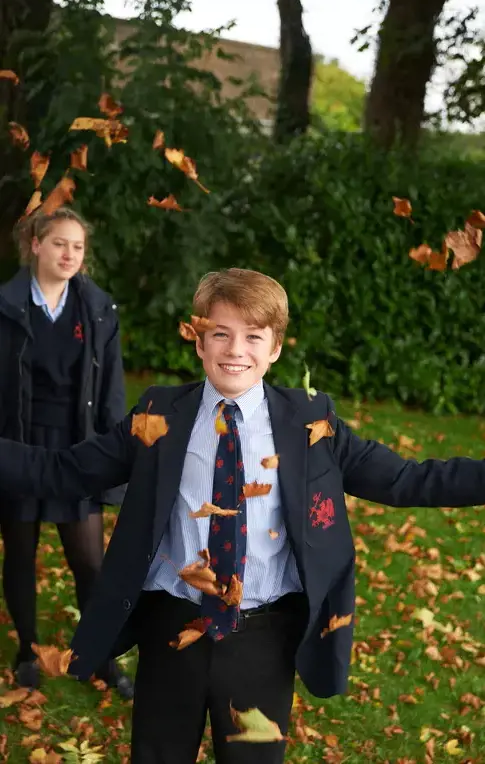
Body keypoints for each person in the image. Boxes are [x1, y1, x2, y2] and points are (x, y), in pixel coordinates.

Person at [0, 267, 485, 764]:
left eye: (253, 336)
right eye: (220, 334)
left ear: (275, 348)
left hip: (263, 636)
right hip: (172, 628)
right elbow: (63, 471)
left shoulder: (311, 423)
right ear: (199, 341)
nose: (236, 350)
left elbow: (409, 478)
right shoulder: (159, 413)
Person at [0, 207, 133, 699]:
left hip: (78, 448)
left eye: (77, 247)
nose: (70, 255)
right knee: (20, 553)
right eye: (60, 244)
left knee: (91, 562)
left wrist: (113, 452)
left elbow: (113, 389)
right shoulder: (5, 306)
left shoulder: (98, 309)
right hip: (18, 445)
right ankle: (27, 651)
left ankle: (99, 654)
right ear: (35, 245)